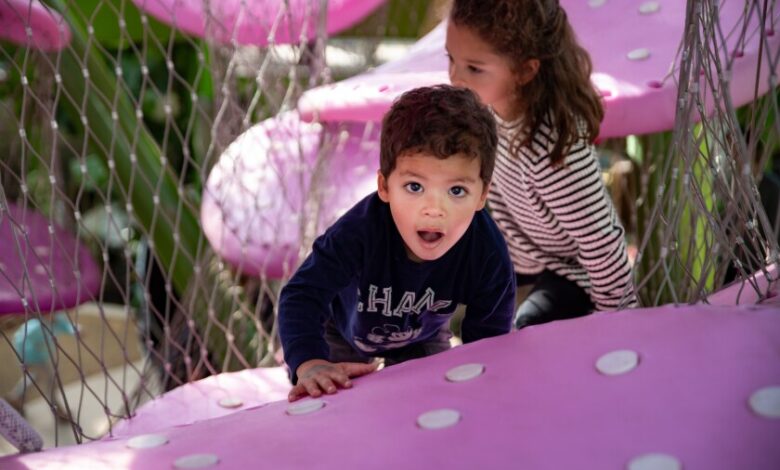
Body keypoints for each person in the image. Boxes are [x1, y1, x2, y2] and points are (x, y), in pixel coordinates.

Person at [279, 85, 516, 402]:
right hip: (341, 335)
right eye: (415, 186)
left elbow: (489, 342)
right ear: (384, 186)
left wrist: (480, 382)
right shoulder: (359, 231)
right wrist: (310, 363)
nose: (434, 208)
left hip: (422, 338)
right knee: (328, 402)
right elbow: (301, 295)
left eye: (456, 191)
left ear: (482, 196)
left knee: (433, 404)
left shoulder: (485, 252)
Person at [445, 0, 637, 329]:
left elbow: (603, 247)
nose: (454, 77)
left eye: (473, 68)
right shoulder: (491, 111)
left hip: (575, 272)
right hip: (526, 256)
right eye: (451, 59)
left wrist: (617, 327)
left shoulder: (552, 153)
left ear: (524, 70)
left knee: (524, 329)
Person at [6, 312, 76, 418]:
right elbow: (20, 340)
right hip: (33, 359)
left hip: (43, 358)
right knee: (50, 382)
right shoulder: (35, 327)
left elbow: (65, 326)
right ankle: (58, 410)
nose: (53, 314)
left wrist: (75, 330)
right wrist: (24, 360)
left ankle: (15, 398)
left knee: (34, 378)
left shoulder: (56, 319)